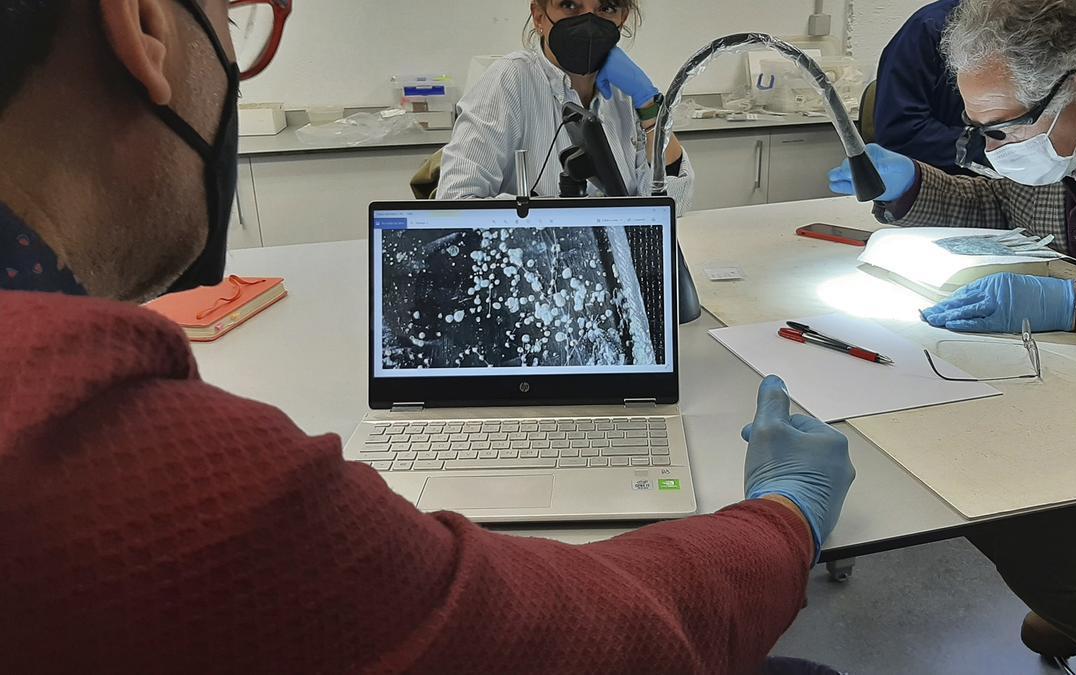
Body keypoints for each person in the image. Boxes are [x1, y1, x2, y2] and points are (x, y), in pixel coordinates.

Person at [0, 1, 855, 672]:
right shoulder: (136, 462)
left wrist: (660, 137)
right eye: (236, 22)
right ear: (144, 25)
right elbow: (576, 637)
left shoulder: (636, 92)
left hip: (616, 312)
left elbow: (666, 207)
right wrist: (784, 513)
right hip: (522, 308)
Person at [830, 0, 1076, 671]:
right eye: (981, 133)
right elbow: (1007, 202)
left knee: (1047, 549)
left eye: (1002, 131)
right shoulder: (1066, 130)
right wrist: (915, 186)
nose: (994, 154)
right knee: (987, 493)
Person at [437, 0, 695, 211]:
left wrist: (650, 107)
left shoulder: (628, 92)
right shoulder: (510, 80)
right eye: (570, 5)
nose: (589, 23)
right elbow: (455, 203)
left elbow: (674, 205)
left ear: (622, 18)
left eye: (606, 8)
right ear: (539, 16)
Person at [874, 0, 986, 175]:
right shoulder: (930, 28)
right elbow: (901, 135)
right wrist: (989, 148)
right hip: (945, 181)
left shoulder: (1034, 30)